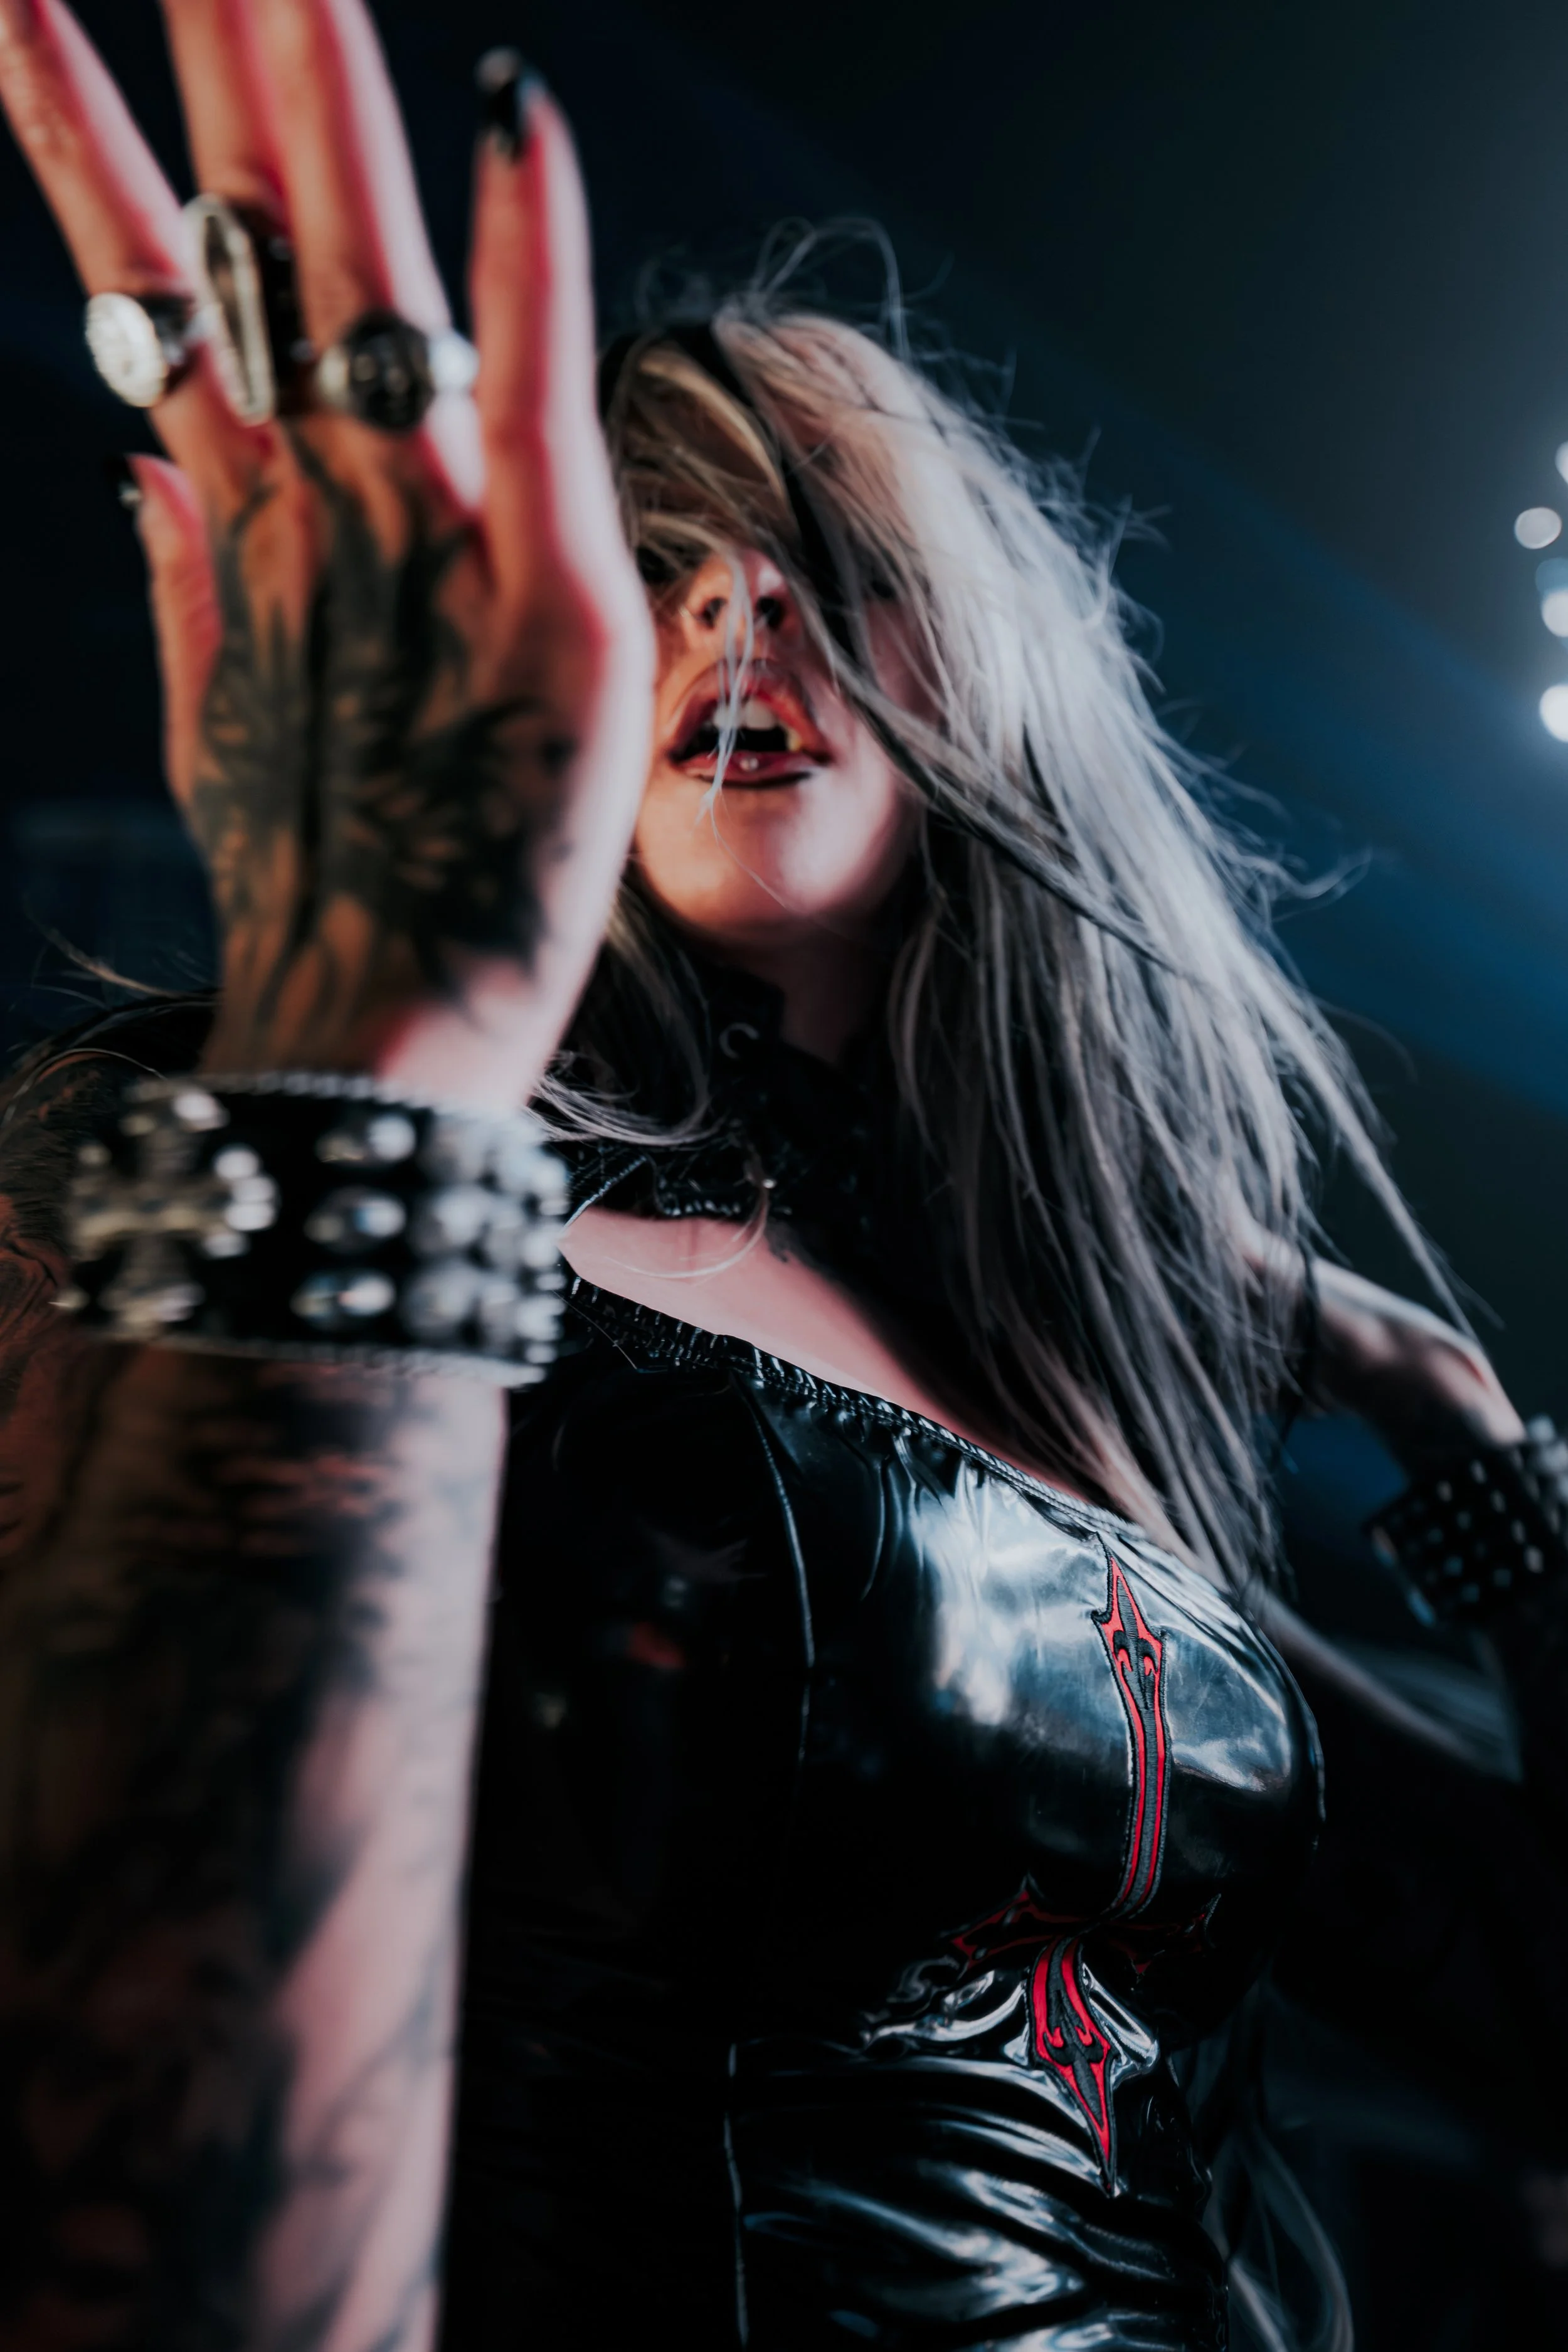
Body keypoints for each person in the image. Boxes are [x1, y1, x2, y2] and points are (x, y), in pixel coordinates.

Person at [0, 4, 1557, 2346]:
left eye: (831, 554)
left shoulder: (1078, 1400)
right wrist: (364, 1079)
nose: (741, 606)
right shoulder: (262, 1168)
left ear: (992, 674)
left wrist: (1453, 1430)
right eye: (659, 562)